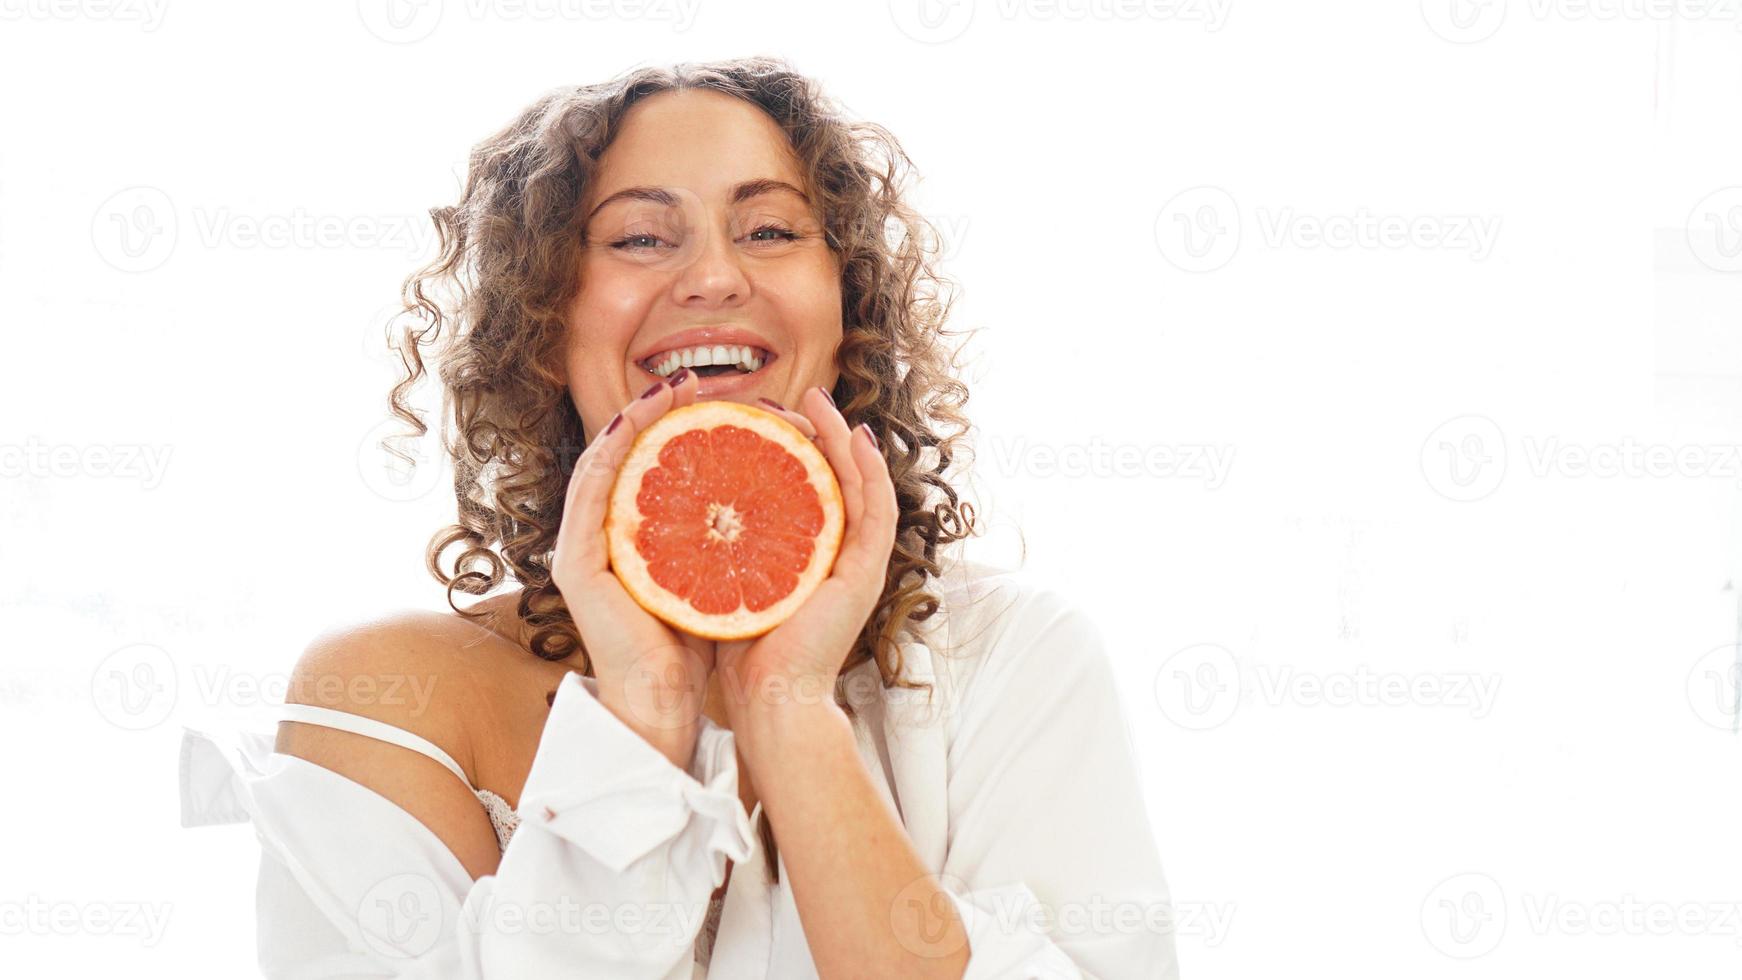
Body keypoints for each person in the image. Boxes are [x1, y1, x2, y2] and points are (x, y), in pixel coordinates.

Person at [178, 56, 1180, 978]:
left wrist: (787, 706)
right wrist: (644, 715)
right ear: (543, 322)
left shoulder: (1011, 657)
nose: (711, 276)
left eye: (771, 229)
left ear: (846, 307)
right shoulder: (386, 701)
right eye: (640, 237)